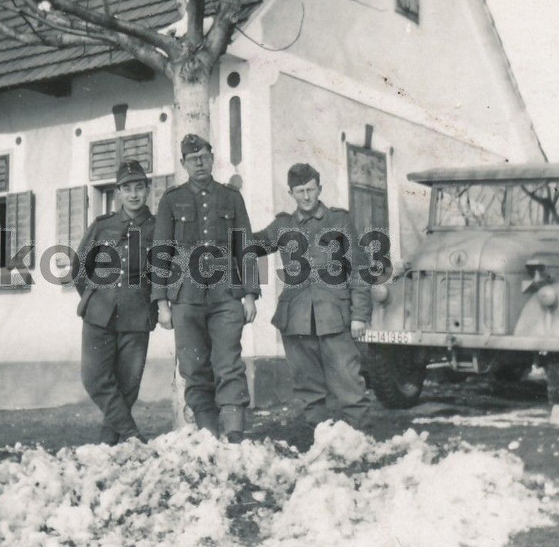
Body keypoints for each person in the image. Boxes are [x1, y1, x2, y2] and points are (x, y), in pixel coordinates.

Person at [253, 162, 380, 431]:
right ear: (291, 193)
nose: (306, 196)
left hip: (334, 317)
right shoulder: (282, 225)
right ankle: (321, 443)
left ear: (319, 188)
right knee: (309, 391)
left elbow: (359, 269)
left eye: (310, 189)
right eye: (299, 191)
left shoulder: (339, 221)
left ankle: (358, 444)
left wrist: (360, 316)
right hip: (297, 320)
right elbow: (252, 245)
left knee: (349, 385)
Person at [151, 134, 259, 443]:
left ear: (212, 158)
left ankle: (236, 435)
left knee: (229, 362)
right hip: (186, 296)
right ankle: (209, 435)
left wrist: (249, 294)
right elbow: (161, 251)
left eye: (204, 157)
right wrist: (161, 303)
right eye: (192, 159)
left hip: (226, 294)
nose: (199, 163)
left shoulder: (231, 197)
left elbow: (245, 246)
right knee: (193, 366)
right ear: (184, 164)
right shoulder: (171, 200)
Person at [73, 159, 157, 444]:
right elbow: (79, 269)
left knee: (128, 387)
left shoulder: (158, 229)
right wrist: (94, 297)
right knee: (94, 378)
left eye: (139, 187)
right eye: (126, 188)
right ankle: (133, 435)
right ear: (117, 192)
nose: (133, 194)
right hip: (99, 314)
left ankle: (107, 445)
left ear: (148, 190)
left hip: (136, 315)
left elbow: (166, 273)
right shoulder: (102, 226)